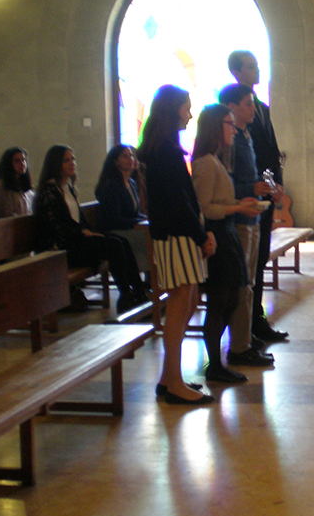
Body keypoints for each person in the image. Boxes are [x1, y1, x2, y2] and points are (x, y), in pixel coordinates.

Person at [137, 84, 216, 405]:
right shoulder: (165, 152)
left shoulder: (165, 148)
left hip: (178, 234)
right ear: (173, 111)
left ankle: (168, 378)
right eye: (186, 107)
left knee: (189, 301)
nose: (190, 114)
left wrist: (201, 231)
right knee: (180, 304)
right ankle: (174, 383)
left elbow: (183, 200)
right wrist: (201, 235)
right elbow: (179, 203)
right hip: (176, 237)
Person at [192, 104, 264, 384]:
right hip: (216, 235)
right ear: (214, 126)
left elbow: (219, 201)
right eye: (229, 124)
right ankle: (214, 364)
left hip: (227, 233)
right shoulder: (204, 163)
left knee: (232, 297)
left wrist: (239, 203)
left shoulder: (215, 159)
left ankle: (216, 362)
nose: (234, 130)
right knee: (220, 301)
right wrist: (237, 208)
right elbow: (205, 208)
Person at [33, 144, 147, 314]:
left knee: (121, 241)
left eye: (73, 159)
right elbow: (57, 225)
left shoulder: (67, 188)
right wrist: (82, 232)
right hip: (61, 248)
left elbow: (79, 218)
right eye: (66, 160)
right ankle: (126, 295)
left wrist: (87, 230)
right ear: (56, 164)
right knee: (114, 245)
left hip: (76, 240)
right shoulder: (49, 192)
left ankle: (138, 291)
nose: (72, 163)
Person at [228, 50, 288, 343]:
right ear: (237, 72)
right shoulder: (233, 110)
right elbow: (243, 162)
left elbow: (267, 155)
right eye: (251, 67)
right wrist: (259, 184)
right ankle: (248, 325)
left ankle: (257, 320)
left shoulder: (260, 107)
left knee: (260, 257)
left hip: (263, 193)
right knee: (248, 265)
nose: (257, 70)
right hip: (247, 198)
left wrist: (274, 184)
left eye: (257, 65)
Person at [219, 82, 276, 368]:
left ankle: (247, 337)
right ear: (232, 107)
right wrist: (250, 188)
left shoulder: (246, 135)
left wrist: (266, 186)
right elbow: (226, 185)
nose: (253, 108)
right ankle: (239, 347)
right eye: (248, 103)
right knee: (242, 285)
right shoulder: (229, 141)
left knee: (250, 283)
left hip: (253, 215)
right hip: (239, 218)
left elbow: (255, 172)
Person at [94, 144, 150, 272]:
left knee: (152, 232)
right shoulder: (112, 185)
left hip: (127, 227)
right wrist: (137, 223)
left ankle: (150, 274)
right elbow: (114, 219)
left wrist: (145, 219)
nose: (130, 159)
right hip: (114, 231)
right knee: (146, 237)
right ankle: (144, 272)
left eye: (131, 156)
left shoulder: (131, 183)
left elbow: (134, 213)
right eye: (125, 156)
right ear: (115, 161)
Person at [0, 147, 35, 217]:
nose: (22, 163)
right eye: (17, 161)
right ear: (9, 164)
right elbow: (8, 213)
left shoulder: (24, 183)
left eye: (23, 160)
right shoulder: (3, 186)